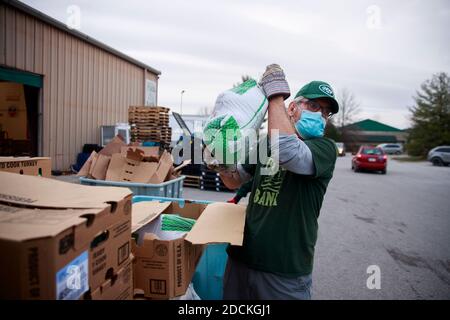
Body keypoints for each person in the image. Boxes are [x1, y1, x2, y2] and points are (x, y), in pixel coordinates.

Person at [219, 64, 339, 300]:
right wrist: (220, 162)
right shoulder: (265, 143)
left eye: (326, 112)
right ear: (293, 108)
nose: (320, 115)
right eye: (314, 106)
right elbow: (234, 181)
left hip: (284, 270)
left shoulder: (324, 148)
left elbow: (286, 151)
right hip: (242, 259)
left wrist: (275, 94)